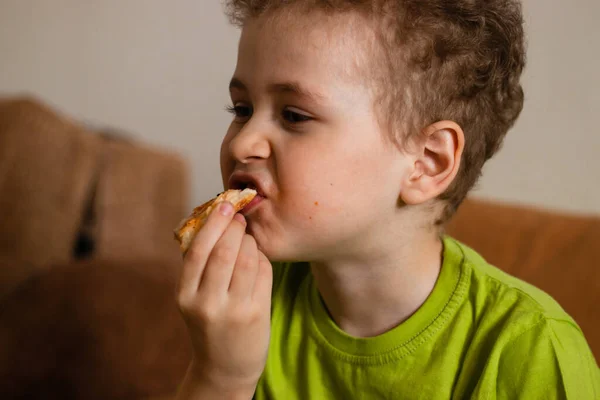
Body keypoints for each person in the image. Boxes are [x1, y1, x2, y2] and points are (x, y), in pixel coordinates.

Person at [175, 1, 599, 398]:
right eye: (242, 109)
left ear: (426, 163)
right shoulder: (242, 303)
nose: (243, 142)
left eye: (294, 116)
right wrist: (221, 377)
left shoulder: (529, 351)